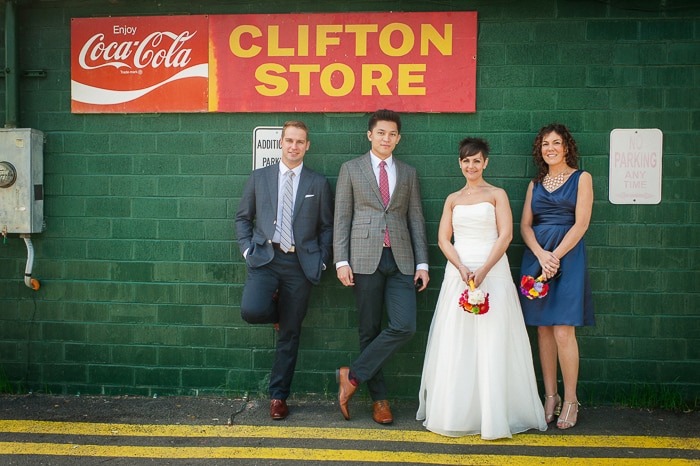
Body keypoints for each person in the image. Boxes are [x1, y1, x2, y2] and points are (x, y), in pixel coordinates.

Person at [416, 137, 547, 439]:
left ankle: (495, 414)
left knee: (493, 339)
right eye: (466, 161)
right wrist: (461, 267)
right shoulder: (452, 199)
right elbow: (443, 239)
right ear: (459, 163)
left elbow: (506, 235)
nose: (471, 166)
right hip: (459, 273)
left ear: (485, 163)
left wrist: (485, 269)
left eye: (476, 160)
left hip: (493, 270)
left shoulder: (497, 194)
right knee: (457, 340)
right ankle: (458, 413)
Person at [334, 109, 430, 424]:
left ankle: (352, 375)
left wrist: (422, 263)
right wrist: (341, 260)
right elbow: (342, 217)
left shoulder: (408, 172)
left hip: (401, 259)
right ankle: (380, 401)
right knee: (369, 330)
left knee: (405, 325)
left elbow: (415, 218)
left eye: (392, 134)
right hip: (363, 258)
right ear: (370, 135)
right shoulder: (351, 169)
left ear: (398, 138)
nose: (386, 138)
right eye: (380, 133)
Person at [235, 120, 333, 420]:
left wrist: (321, 260)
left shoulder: (318, 183)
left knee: (290, 332)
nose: (294, 146)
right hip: (265, 258)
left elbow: (327, 227)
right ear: (281, 142)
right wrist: (247, 250)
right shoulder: (259, 177)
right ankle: (275, 311)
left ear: (307, 146)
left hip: (300, 264)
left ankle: (278, 396)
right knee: (251, 311)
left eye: (300, 141)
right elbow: (243, 218)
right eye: (289, 140)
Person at [519, 123, 595, 430]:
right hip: (537, 258)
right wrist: (541, 255)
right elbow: (525, 225)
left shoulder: (582, 178)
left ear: (566, 147)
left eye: (556, 143)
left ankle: (571, 399)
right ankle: (551, 396)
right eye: (545, 144)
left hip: (569, 257)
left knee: (564, 331)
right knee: (543, 330)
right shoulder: (535, 184)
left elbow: (581, 224)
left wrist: (555, 257)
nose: (550, 148)